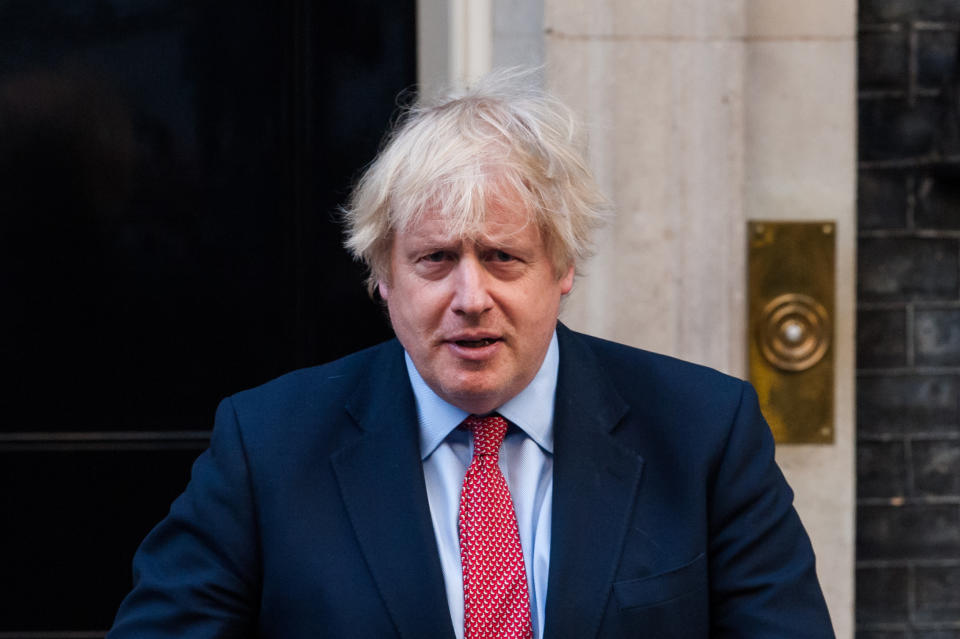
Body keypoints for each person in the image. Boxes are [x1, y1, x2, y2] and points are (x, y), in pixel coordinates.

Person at [108, 70, 835, 638]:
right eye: (434, 258)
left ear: (562, 269)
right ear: (382, 276)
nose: (471, 295)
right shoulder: (267, 447)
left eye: (502, 256)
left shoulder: (704, 433)